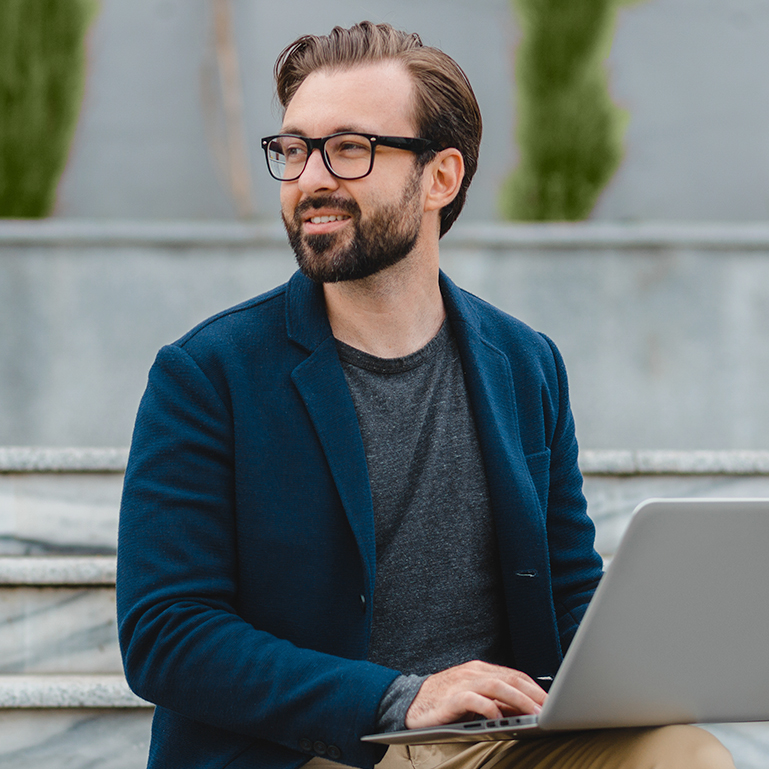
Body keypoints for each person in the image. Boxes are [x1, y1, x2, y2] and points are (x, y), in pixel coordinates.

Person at [117, 21, 734, 769]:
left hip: (492, 742)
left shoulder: (525, 363)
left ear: (441, 176)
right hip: (311, 749)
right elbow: (167, 631)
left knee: (686, 752)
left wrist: (670, 666)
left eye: (348, 148)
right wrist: (395, 696)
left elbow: (569, 594)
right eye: (293, 149)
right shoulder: (207, 374)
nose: (311, 177)